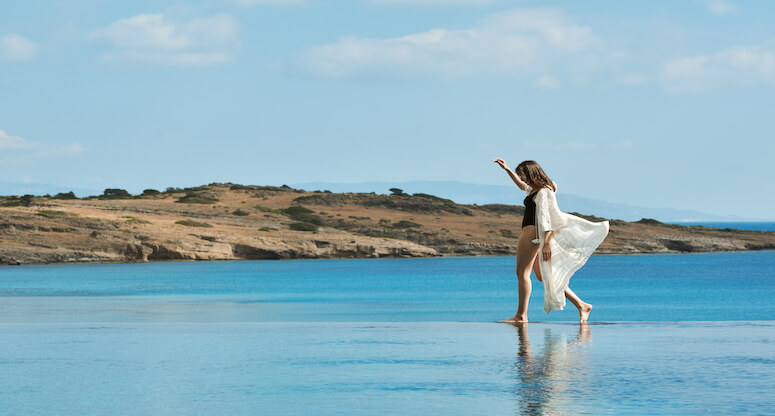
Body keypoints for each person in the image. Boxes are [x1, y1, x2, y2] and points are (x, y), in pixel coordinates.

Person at [493, 158, 609, 323]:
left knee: (522, 274)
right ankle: (582, 305)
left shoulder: (544, 192)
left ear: (531, 173)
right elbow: (521, 186)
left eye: (523, 175)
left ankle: (521, 315)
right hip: (534, 233)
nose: (523, 178)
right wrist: (507, 170)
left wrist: (546, 243)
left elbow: (548, 218)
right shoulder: (536, 190)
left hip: (532, 233)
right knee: (544, 276)